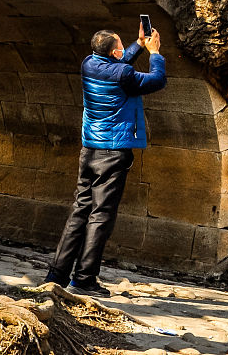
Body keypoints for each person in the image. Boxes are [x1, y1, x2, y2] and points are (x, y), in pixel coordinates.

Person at [45, 23, 166, 295]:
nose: (123, 49)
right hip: (113, 152)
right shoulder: (124, 74)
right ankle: (84, 279)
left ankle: (57, 274)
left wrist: (137, 44)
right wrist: (154, 52)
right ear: (113, 52)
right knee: (100, 216)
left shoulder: (88, 63)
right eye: (121, 45)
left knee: (80, 211)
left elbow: (119, 64)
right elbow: (156, 80)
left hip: (89, 149)